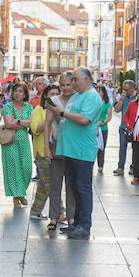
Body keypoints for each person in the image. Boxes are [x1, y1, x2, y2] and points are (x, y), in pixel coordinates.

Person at [52, 67, 105, 239]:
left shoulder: (92, 97)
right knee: (75, 188)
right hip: (71, 150)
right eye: (72, 80)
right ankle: (76, 223)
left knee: (83, 189)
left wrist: (61, 112)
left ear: (87, 79)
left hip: (82, 151)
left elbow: (84, 119)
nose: (73, 83)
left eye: (75, 79)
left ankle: (84, 225)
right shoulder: (76, 96)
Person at [46, 72, 77, 227]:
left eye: (68, 84)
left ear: (73, 84)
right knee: (55, 184)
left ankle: (71, 217)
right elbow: (47, 125)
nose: (65, 88)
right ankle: (53, 217)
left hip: (73, 147)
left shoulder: (78, 100)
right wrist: (46, 148)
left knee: (71, 184)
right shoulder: (53, 100)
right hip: (56, 146)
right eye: (62, 85)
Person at [0, 81, 34, 208]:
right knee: (14, 169)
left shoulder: (28, 107)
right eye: (16, 91)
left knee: (27, 168)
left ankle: (20, 193)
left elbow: (31, 122)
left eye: (20, 91)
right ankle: (16, 196)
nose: (17, 93)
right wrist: (23, 122)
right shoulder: (8, 107)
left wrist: (17, 121)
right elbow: (8, 124)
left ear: (25, 94)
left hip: (24, 141)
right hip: (10, 141)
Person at [29, 82, 59, 220]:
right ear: (45, 96)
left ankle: (36, 210)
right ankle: (61, 212)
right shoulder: (38, 110)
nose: (54, 97)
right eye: (51, 94)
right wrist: (48, 119)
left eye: (56, 94)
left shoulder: (61, 111)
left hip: (58, 151)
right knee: (50, 183)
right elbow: (34, 128)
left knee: (44, 183)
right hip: (42, 151)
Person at [114, 79, 137, 175]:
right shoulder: (123, 97)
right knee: (122, 147)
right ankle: (120, 167)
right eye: (123, 89)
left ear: (133, 89)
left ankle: (133, 167)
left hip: (134, 128)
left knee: (135, 150)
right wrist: (122, 100)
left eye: (127, 90)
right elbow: (116, 110)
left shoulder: (137, 98)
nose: (125, 92)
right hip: (123, 127)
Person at [95, 85, 113, 172]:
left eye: (100, 91)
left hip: (103, 127)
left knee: (102, 147)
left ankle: (100, 165)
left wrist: (102, 122)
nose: (98, 92)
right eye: (97, 91)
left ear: (103, 93)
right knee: (93, 146)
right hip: (93, 127)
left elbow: (109, 116)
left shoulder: (107, 104)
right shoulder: (92, 102)